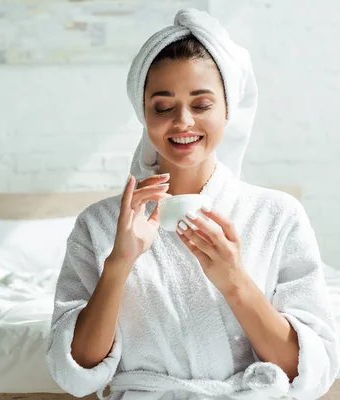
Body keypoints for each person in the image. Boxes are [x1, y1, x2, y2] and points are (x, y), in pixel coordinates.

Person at [45, 8, 339, 400]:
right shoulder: (100, 225)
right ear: (143, 113)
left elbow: (308, 373)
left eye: (201, 105)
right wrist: (119, 263)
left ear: (227, 110)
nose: (183, 122)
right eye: (163, 107)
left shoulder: (277, 216)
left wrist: (234, 280)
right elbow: (77, 371)